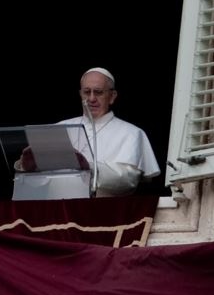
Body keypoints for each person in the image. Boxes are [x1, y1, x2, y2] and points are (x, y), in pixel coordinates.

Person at [16, 67, 161, 197]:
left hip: (104, 213)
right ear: (80, 94)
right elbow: (43, 180)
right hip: (58, 211)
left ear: (112, 96)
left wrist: (89, 168)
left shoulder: (132, 133)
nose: (91, 98)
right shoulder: (59, 128)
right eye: (86, 92)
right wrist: (29, 168)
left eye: (98, 92)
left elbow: (128, 180)